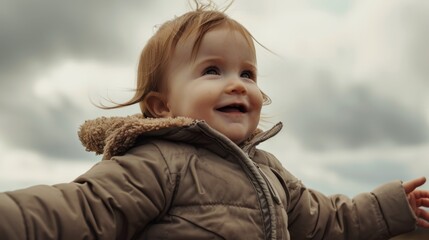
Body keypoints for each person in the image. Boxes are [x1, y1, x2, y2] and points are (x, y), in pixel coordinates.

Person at [1, 1, 428, 239]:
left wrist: (389, 207)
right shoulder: (159, 163)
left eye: (248, 73)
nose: (238, 85)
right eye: (212, 71)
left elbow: (327, 221)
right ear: (161, 106)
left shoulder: (270, 171)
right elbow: (80, 212)